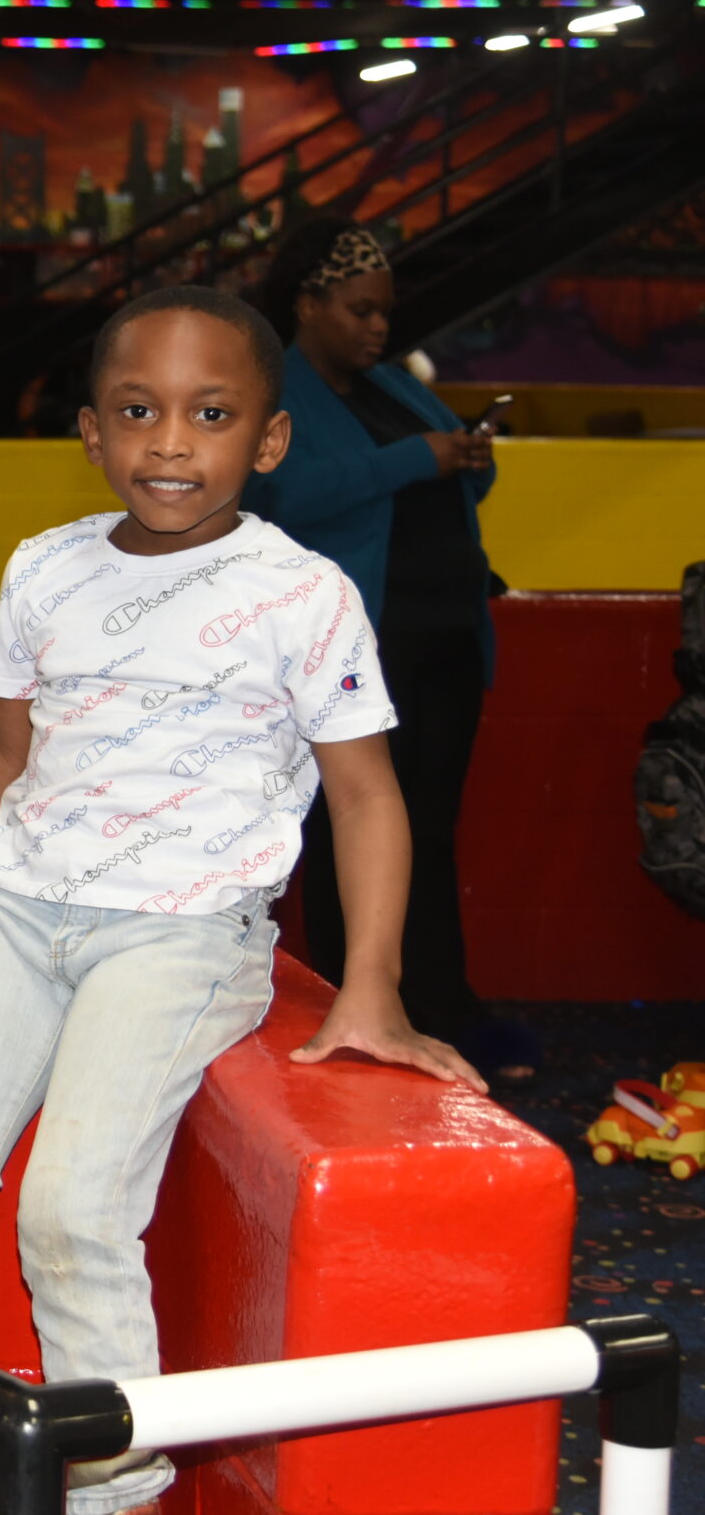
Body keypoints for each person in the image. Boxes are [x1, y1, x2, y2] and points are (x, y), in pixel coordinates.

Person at [0, 286, 482, 1515]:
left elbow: (367, 798)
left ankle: (109, 1492)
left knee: (74, 1206)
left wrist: (372, 982)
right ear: (91, 434)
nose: (170, 441)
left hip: (179, 937)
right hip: (13, 918)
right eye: (137, 410)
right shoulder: (45, 568)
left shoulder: (302, 593)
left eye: (210, 414)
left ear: (266, 441)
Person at [243, 217, 528, 1080]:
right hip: (361, 647)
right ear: (309, 303)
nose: (378, 328)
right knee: (347, 836)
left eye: (385, 313)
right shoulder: (279, 386)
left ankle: (442, 1003)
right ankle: (350, 997)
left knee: (428, 833)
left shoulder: (397, 383)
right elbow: (285, 489)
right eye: (361, 310)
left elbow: (468, 469)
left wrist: (464, 453)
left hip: (443, 639)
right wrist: (414, 459)